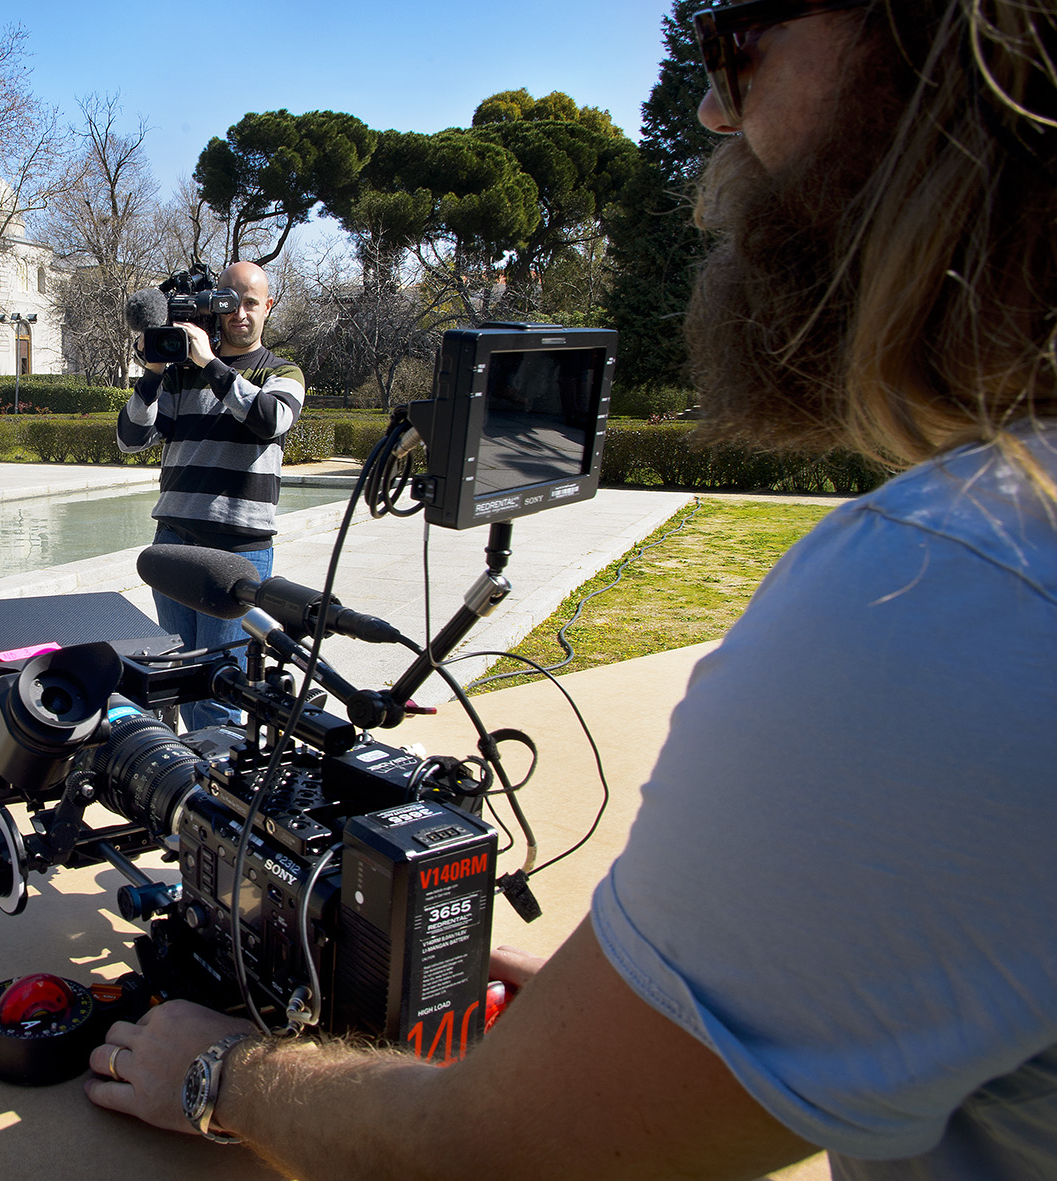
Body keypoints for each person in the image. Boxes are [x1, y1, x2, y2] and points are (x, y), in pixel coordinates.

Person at [84, 1, 1057, 1177]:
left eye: (734, 43)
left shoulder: (942, 594)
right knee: (199, 724)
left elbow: (493, 1153)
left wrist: (218, 1072)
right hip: (178, 548)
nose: (708, 108)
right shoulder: (986, 575)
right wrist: (623, 1001)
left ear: (963, 51)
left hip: (238, 556)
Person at [116, 260, 305, 728]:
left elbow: (270, 420)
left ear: (268, 306)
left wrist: (211, 364)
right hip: (175, 540)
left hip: (238, 550)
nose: (240, 313)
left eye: (251, 303)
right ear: (215, 307)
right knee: (175, 677)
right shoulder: (182, 375)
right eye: (230, 303)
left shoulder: (282, 371)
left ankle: (216, 772)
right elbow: (130, 440)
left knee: (221, 689)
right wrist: (153, 373)